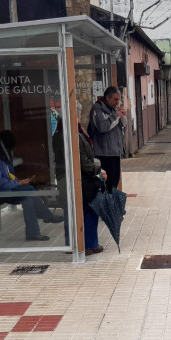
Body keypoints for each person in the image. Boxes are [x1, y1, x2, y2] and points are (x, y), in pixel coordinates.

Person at [0, 130, 63, 242]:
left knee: (28, 195)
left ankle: (35, 231)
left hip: (2, 189)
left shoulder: (0, 154)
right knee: (28, 192)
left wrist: (16, 180)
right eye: (10, 148)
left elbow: (7, 175)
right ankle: (45, 219)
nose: (11, 151)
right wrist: (17, 183)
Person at [77, 103, 107, 256]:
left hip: (84, 178)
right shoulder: (76, 135)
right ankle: (89, 244)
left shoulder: (76, 133)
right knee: (90, 211)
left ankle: (89, 243)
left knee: (89, 211)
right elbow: (83, 162)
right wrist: (98, 169)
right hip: (83, 180)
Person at [88, 86, 125, 192]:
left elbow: (123, 125)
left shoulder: (114, 108)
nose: (117, 102)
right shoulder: (97, 108)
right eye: (115, 99)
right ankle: (107, 206)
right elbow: (102, 127)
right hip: (104, 153)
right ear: (107, 98)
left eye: (119, 99)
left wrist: (123, 115)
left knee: (115, 181)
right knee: (106, 184)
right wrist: (116, 116)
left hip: (115, 152)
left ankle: (113, 205)